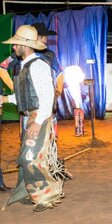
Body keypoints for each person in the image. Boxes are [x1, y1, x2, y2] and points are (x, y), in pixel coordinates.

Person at [1, 25, 65, 212]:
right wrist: (5, 98)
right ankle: (31, 192)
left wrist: (38, 122)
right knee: (27, 158)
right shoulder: (26, 66)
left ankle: (46, 196)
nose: (14, 48)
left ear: (25, 46)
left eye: (16, 45)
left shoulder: (38, 66)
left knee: (32, 159)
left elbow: (47, 96)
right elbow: (26, 96)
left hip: (37, 117)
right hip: (31, 116)